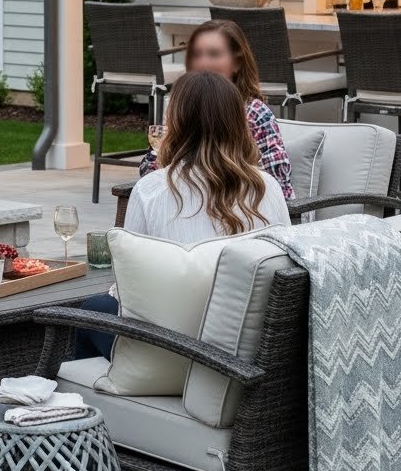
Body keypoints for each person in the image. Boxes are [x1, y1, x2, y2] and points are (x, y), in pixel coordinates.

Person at [75, 71, 290, 358]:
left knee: (93, 310)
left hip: (174, 350)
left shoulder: (150, 190)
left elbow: (127, 284)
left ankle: (81, 400)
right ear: (238, 123)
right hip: (250, 348)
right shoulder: (269, 188)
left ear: (176, 123)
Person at [139, 19, 294, 199]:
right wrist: (161, 149)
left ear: (237, 63)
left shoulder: (254, 113)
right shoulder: (183, 107)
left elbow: (280, 187)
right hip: (187, 206)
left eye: (214, 54)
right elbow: (150, 176)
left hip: (245, 211)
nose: (203, 62)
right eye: (197, 54)